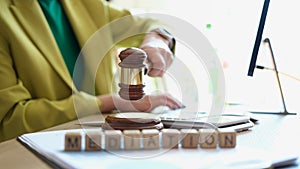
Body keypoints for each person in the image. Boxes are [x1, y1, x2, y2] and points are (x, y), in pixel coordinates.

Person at [0, 0, 183, 142]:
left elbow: (152, 24)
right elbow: (9, 120)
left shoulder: (86, 4)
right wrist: (109, 102)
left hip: (106, 140)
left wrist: (156, 39)